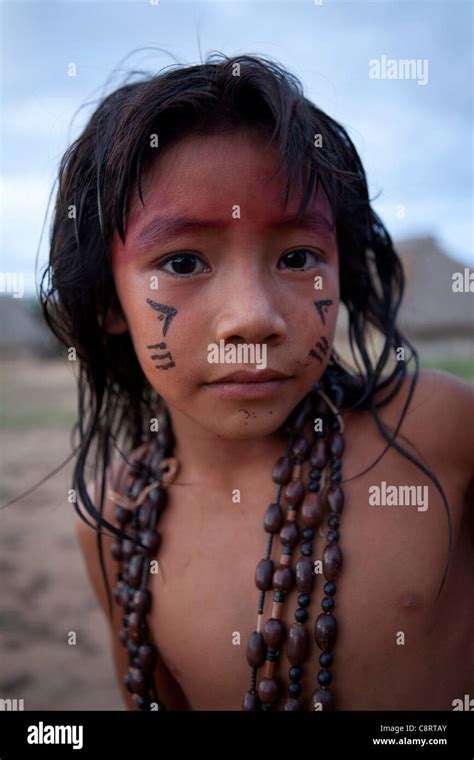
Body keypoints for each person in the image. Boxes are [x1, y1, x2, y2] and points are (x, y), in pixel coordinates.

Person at [40, 53, 474, 711]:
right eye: (183, 261)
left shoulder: (440, 431)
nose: (255, 317)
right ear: (106, 301)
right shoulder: (116, 521)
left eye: (299, 258)